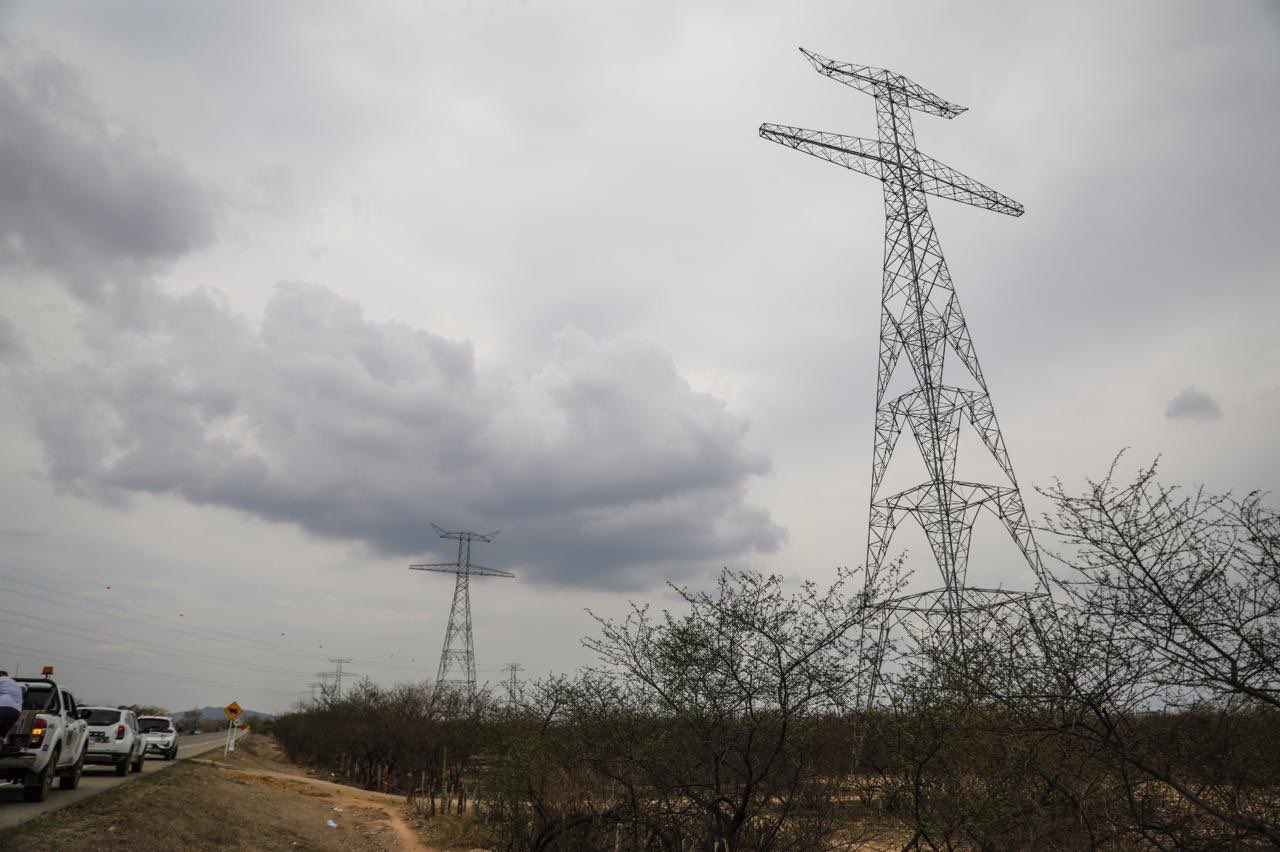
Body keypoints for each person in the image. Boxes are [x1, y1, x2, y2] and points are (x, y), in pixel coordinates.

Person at [0, 670, 22, 740]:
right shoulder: (16, 685)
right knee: (1, 736)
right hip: (15, 713)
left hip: (2, 709)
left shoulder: (1, 680)